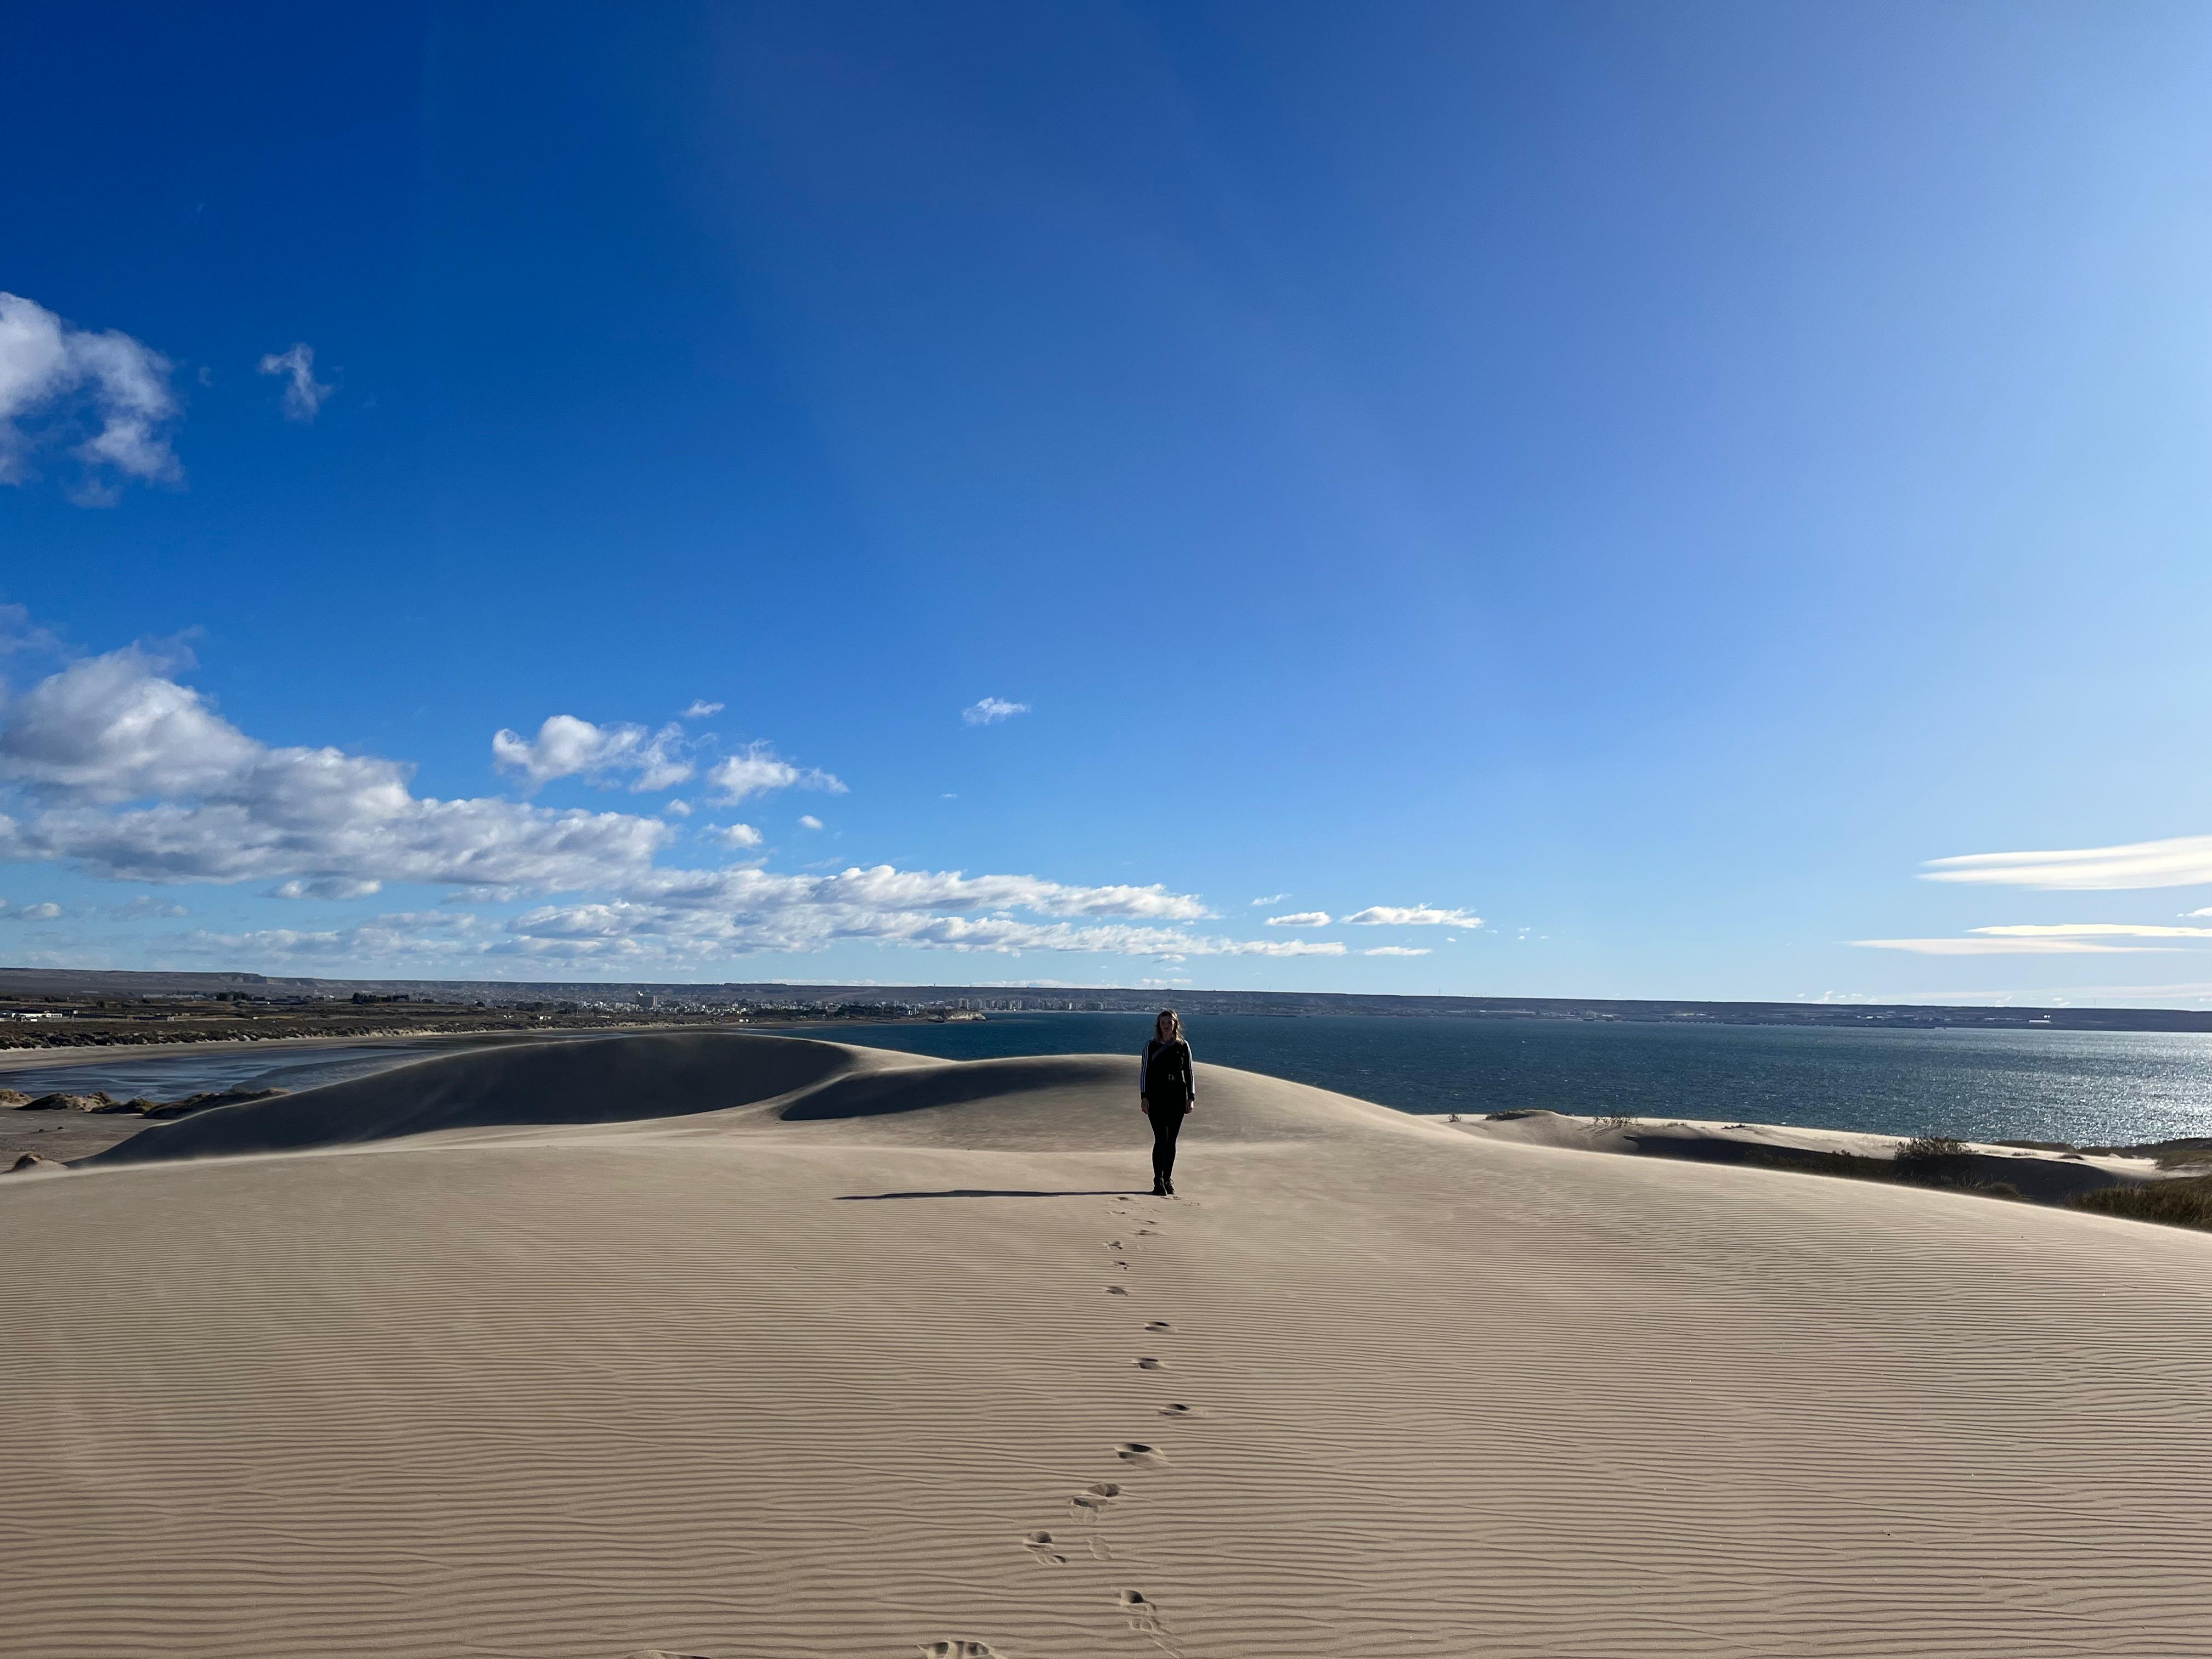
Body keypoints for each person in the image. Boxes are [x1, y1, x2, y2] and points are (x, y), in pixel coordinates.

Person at [1139, 1008, 1195, 1196]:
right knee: (1161, 1139)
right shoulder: (1151, 1046)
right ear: (1159, 1025)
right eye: (1163, 1023)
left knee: (1171, 1141)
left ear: (1175, 1025)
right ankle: (1158, 1181)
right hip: (1156, 1098)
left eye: (1169, 1023)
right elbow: (1144, 1071)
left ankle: (1168, 1179)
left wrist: (1191, 1098)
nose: (1166, 1026)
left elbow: (1189, 1072)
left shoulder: (1183, 1046)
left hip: (1178, 1098)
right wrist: (1144, 1097)